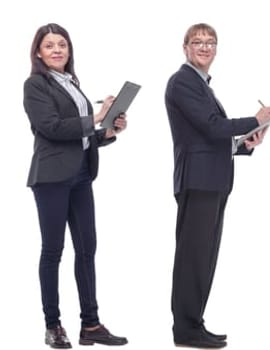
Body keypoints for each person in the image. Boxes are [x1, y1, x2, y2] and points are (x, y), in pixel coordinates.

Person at [165, 23, 270, 349]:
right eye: (197, 42)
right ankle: (185, 329)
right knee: (193, 257)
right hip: (198, 181)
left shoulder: (203, 85)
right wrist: (255, 120)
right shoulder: (183, 81)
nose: (204, 47)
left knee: (204, 256)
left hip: (212, 179)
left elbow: (209, 137)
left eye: (210, 42)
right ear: (185, 47)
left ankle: (194, 323)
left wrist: (245, 144)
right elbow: (212, 128)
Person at [24, 22, 130, 349]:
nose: (57, 50)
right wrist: (97, 117)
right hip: (52, 178)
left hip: (82, 174)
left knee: (87, 250)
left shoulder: (72, 82)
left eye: (62, 45)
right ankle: (53, 326)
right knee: (53, 251)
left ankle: (91, 324)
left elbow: (80, 135)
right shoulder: (35, 85)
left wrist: (107, 131)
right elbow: (51, 127)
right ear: (39, 52)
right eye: (50, 45)